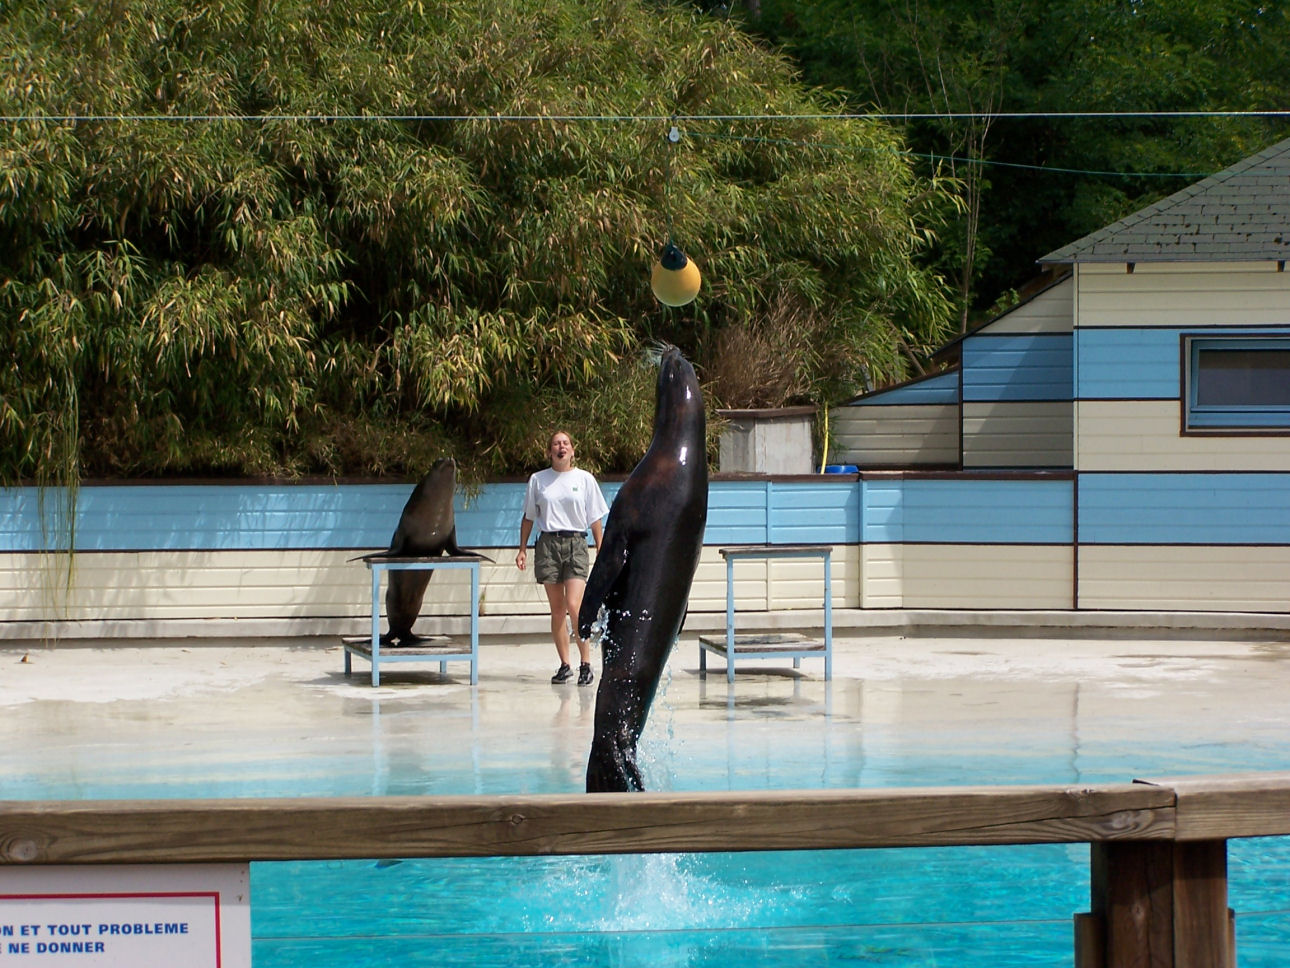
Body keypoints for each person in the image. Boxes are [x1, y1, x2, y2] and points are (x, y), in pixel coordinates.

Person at [516, 430, 609, 686]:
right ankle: (565, 664)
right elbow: (528, 516)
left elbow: (595, 517)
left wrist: (601, 547)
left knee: (575, 605)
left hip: (576, 543)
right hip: (548, 544)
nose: (561, 447)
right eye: (556, 444)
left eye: (565, 443)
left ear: (572, 450)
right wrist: (522, 548)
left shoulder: (585, 479)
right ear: (549, 451)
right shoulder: (538, 480)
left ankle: (586, 663)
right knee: (557, 609)